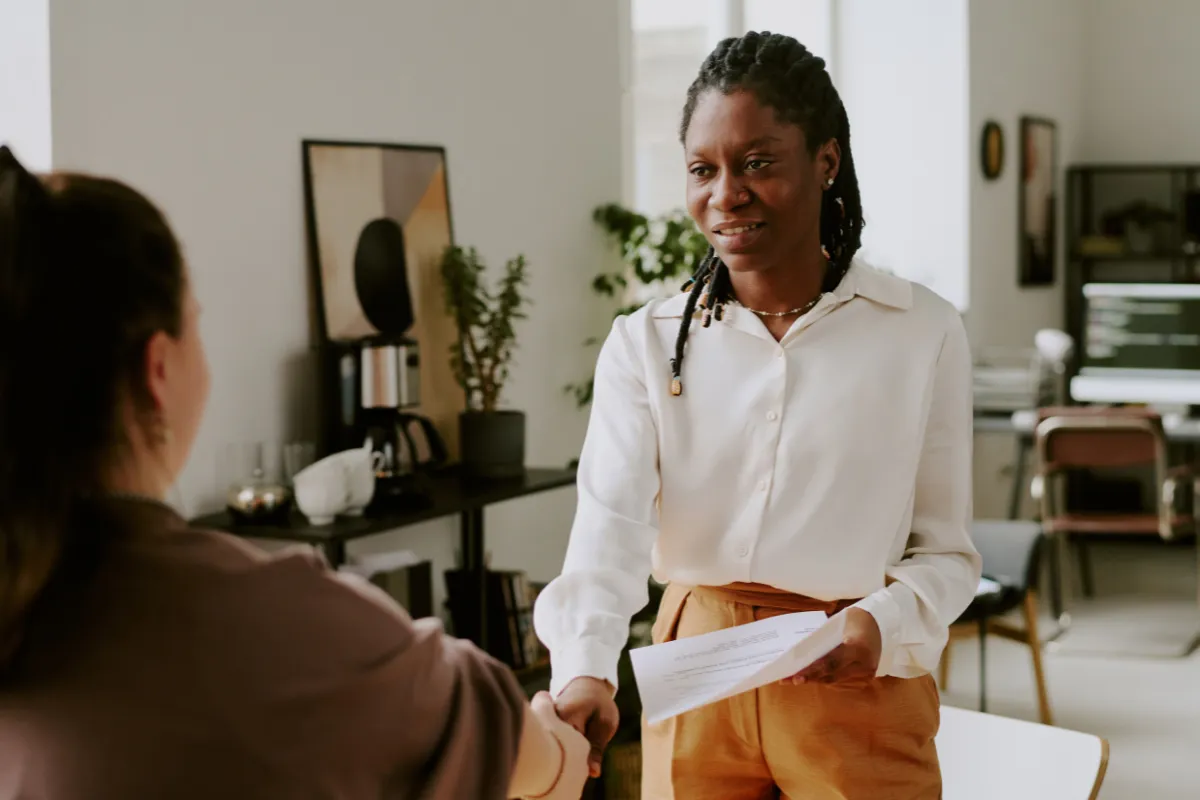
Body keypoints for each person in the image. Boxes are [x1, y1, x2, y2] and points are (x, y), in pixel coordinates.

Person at [0, 145, 588, 800]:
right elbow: (533, 765)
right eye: (196, 325)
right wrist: (552, 734)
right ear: (157, 368)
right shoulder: (296, 632)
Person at [533, 31, 981, 799]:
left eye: (758, 163)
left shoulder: (922, 331)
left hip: (853, 667)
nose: (726, 194)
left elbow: (946, 554)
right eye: (703, 170)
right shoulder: (645, 345)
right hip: (697, 675)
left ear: (826, 162)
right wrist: (585, 671)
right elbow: (606, 539)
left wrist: (879, 625)